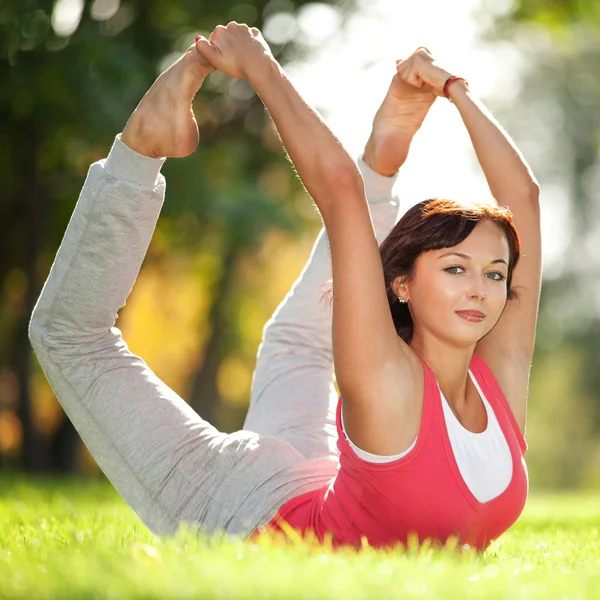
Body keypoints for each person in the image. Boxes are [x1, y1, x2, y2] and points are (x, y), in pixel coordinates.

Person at [28, 23, 541, 552]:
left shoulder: (496, 381)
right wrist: (258, 65)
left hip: (317, 472)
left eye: (495, 273)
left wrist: (456, 90)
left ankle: (383, 162)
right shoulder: (391, 381)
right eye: (455, 269)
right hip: (241, 504)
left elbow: (522, 198)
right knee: (71, 338)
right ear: (403, 285)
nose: (480, 288)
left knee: (297, 342)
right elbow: (337, 188)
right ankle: (139, 153)